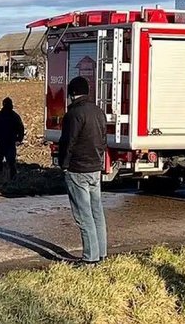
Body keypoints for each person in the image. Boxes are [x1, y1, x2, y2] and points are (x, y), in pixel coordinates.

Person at [58, 76, 107, 264]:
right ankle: (101, 253)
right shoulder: (98, 111)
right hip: (95, 168)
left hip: (77, 170)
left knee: (83, 216)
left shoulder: (73, 114)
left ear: (71, 93)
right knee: (97, 213)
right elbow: (103, 140)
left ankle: (89, 258)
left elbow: (67, 143)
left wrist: (64, 165)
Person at [0, 97, 24, 179]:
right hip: (7, 142)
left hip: (5, 142)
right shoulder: (14, 116)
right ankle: (6, 177)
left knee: (2, 161)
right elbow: (21, 129)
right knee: (8, 162)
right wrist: (19, 139)